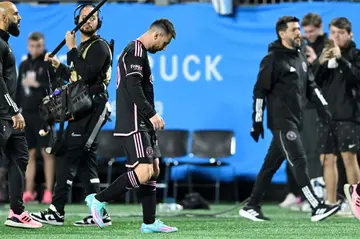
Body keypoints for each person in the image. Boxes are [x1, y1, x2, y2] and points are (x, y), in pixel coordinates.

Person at [239, 16, 340, 222]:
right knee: (299, 160)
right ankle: (316, 206)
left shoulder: (300, 56)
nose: (298, 33)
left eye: (298, 29)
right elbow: (259, 91)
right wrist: (257, 122)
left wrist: (324, 109)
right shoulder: (272, 59)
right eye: (294, 30)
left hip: (296, 120)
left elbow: (311, 86)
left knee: (270, 166)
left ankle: (251, 205)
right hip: (282, 121)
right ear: (281, 33)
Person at [85, 18, 178, 233]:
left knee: (153, 169)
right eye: (164, 43)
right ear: (156, 35)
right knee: (144, 171)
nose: (163, 48)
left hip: (142, 122)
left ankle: (149, 222)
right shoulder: (135, 50)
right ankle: (98, 199)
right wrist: (151, 113)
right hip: (135, 121)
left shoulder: (139, 52)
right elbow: (133, 86)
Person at [30, 4, 113, 227]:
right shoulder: (84, 48)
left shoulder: (99, 46)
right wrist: (60, 66)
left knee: (67, 154)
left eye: (93, 17)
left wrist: (71, 49)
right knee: (86, 161)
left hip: (93, 109)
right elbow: (77, 77)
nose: (88, 21)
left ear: (99, 22)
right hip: (84, 109)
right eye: (84, 17)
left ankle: (56, 211)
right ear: (77, 20)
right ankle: (100, 213)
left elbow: (86, 75)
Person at [280, 13, 328, 211]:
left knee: (316, 151)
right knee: (293, 149)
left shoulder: (328, 46)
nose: (308, 35)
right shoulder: (300, 46)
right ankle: (296, 193)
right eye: (304, 31)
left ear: (320, 27)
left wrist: (315, 61)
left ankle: (322, 194)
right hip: (299, 104)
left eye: (311, 31)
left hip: (317, 106)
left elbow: (324, 77)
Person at [0, 1, 42, 229]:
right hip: (3, 115)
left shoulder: (5, 44)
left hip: (7, 115)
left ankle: (16, 212)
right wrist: (14, 109)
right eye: (16, 14)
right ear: (4, 18)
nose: (20, 17)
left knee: (20, 156)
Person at [315, 17, 360, 207]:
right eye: (333, 32)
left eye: (341, 33)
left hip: (348, 114)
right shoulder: (326, 55)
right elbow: (313, 84)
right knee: (327, 159)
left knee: (349, 158)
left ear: (350, 34)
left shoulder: (355, 54)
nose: (337, 36)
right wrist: (319, 63)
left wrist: (340, 59)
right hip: (327, 115)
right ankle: (331, 203)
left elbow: (355, 78)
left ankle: (356, 204)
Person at [16, 32, 55, 205]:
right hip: (27, 114)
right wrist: (14, 110)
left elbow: (55, 87)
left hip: (44, 114)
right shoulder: (24, 64)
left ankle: (48, 191)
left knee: (46, 153)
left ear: (43, 44)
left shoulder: (48, 62)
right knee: (29, 153)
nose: (35, 49)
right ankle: (29, 191)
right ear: (27, 46)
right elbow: (17, 88)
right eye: (32, 46)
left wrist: (37, 84)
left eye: (38, 46)